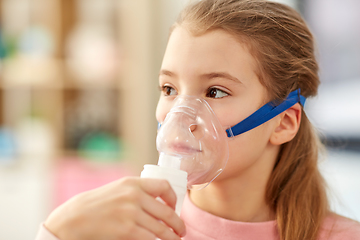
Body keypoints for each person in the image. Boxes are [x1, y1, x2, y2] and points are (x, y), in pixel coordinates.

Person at [36, 0, 360, 239]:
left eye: (215, 92)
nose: (181, 115)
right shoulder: (124, 228)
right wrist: (57, 231)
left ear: (284, 122)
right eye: (169, 88)